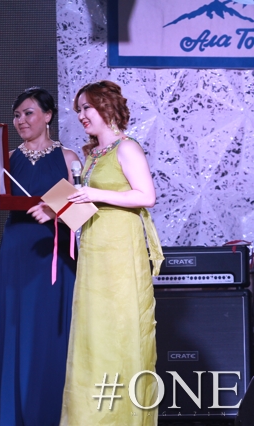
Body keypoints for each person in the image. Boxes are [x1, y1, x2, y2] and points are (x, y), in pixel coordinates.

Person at [60, 80, 163, 426]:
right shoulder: (92, 155)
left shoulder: (126, 148)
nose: (81, 115)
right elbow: (85, 205)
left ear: (106, 106)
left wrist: (95, 194)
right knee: (94, 334)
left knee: (120, 330)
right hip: (94, 251)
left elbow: (146, 196)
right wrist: (55, 208)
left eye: (86, 107)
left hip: (120, 253)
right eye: (78, 109)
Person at [0, 87, 80, 426]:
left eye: (28, 113)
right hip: (17, 255)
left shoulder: (68, 158)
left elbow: (80, 212)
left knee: (53, 333)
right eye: (17, 115)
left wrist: (55, 210)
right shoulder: (7, 159)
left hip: (54, 256)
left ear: (48, 115)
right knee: (17, 333)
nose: (21, 120)